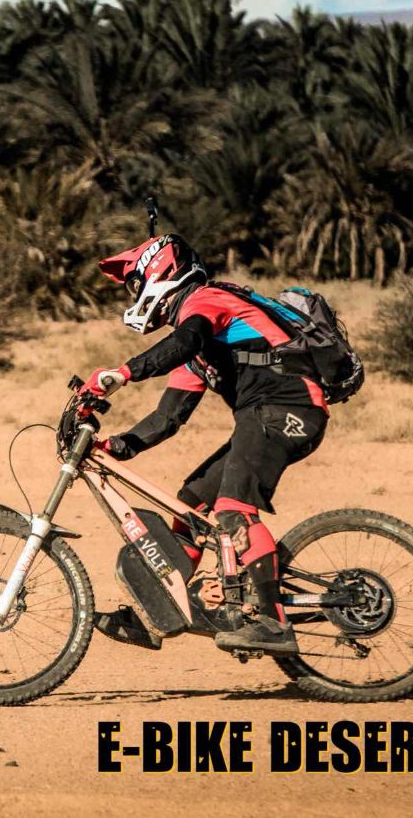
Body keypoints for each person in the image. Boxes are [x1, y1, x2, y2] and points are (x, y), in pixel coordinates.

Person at [79, 233, 328, 654]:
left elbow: (183, 341)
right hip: (260, 416)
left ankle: (274, 625)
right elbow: (167, 418)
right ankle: (156, 615)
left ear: (161, 272)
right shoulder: (198, 352)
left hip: (288, 408)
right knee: (192, 503)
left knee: (233, 509)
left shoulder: (206, 302)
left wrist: (121, 373)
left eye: (136, 284)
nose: (135, 295)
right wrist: (114, 447)